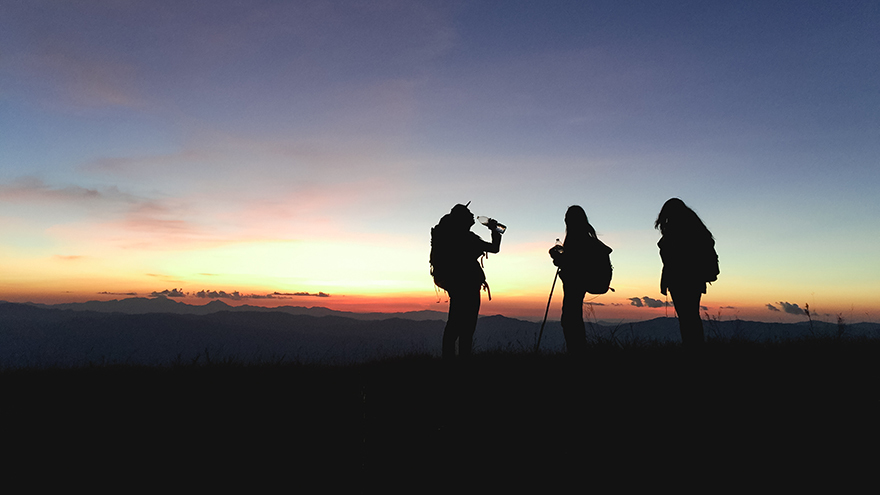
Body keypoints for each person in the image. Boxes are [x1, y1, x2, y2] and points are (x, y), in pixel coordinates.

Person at [430, 203, 502, 360]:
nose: (472, 216)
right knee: (466, 327)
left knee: (454, 323)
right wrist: (495, 230)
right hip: (468, 286)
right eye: (469, 214)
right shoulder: (466, 238)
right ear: (462, 219)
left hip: (456, 285)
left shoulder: (451, 236)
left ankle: (449, 359)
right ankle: (463, 361)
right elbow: (494, 248)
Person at [655, 198, 719, 348]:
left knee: (686, 317)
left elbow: (671, 258)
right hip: (694, 279)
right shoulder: (694, 228)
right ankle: (695, 346)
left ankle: (692, 347)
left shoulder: (676, 230)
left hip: (681, 279)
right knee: (691, 316)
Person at [549, 205, 611, 355]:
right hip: (583, 282)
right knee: (572, 317)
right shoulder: (587, 239)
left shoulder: (576, 239)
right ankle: (578, 352)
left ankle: (577, 353)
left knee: (570, 318)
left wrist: (556, 257)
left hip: (576, 284)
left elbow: (573, 264)